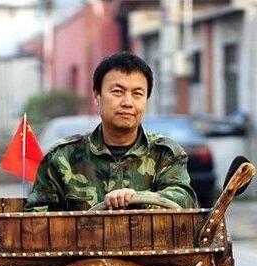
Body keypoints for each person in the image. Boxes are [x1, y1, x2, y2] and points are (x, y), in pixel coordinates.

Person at [24, 52, 198, 212]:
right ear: (97, 95)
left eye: (137, 94)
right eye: (117, 92)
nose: (128, 102)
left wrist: (138, 198)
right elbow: (37, 219)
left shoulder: (164, 153)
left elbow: (185, 200)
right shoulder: (62, 157)